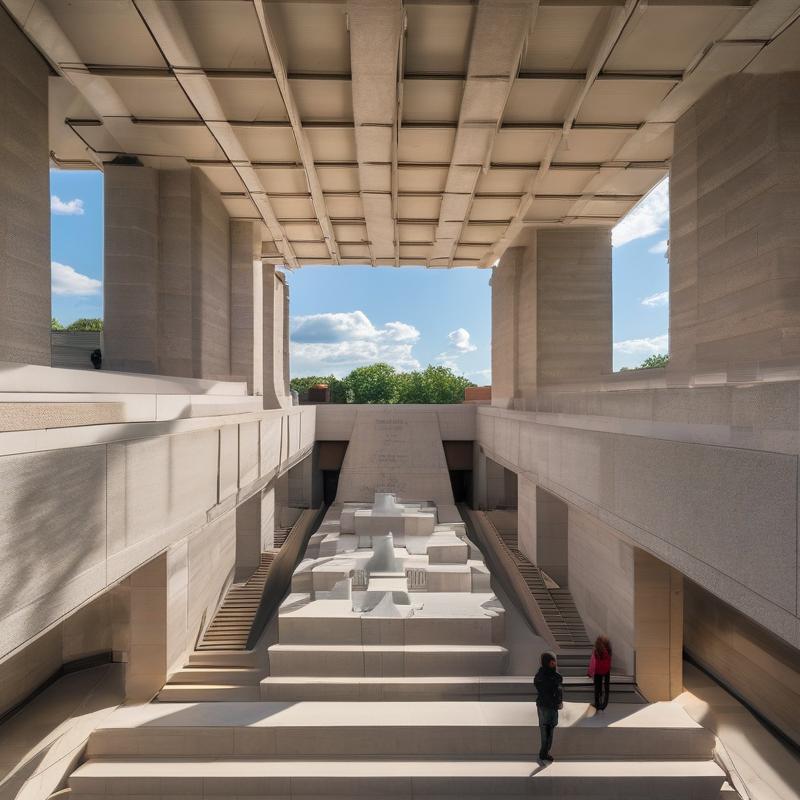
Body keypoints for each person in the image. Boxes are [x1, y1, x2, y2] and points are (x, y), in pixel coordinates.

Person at [534, 651, 563, 763]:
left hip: (547, 706)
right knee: (546, 729)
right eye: (552, 662)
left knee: (548, 728)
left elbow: (558, 689)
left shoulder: (544, 676)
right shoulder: (546, 677)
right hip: (546, 706)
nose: (554, 664)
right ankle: (543, 753)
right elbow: (553, 690)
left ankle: (545, 752)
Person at [588, 635, 612, 711]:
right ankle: (604, 704)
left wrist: (590, 672)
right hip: (606, 670)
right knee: (606, 687)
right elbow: (610, 660)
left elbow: (593, 662)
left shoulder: (596, 650)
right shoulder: (608, 649)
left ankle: (597, 704)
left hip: (598, 671)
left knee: (597, 687)